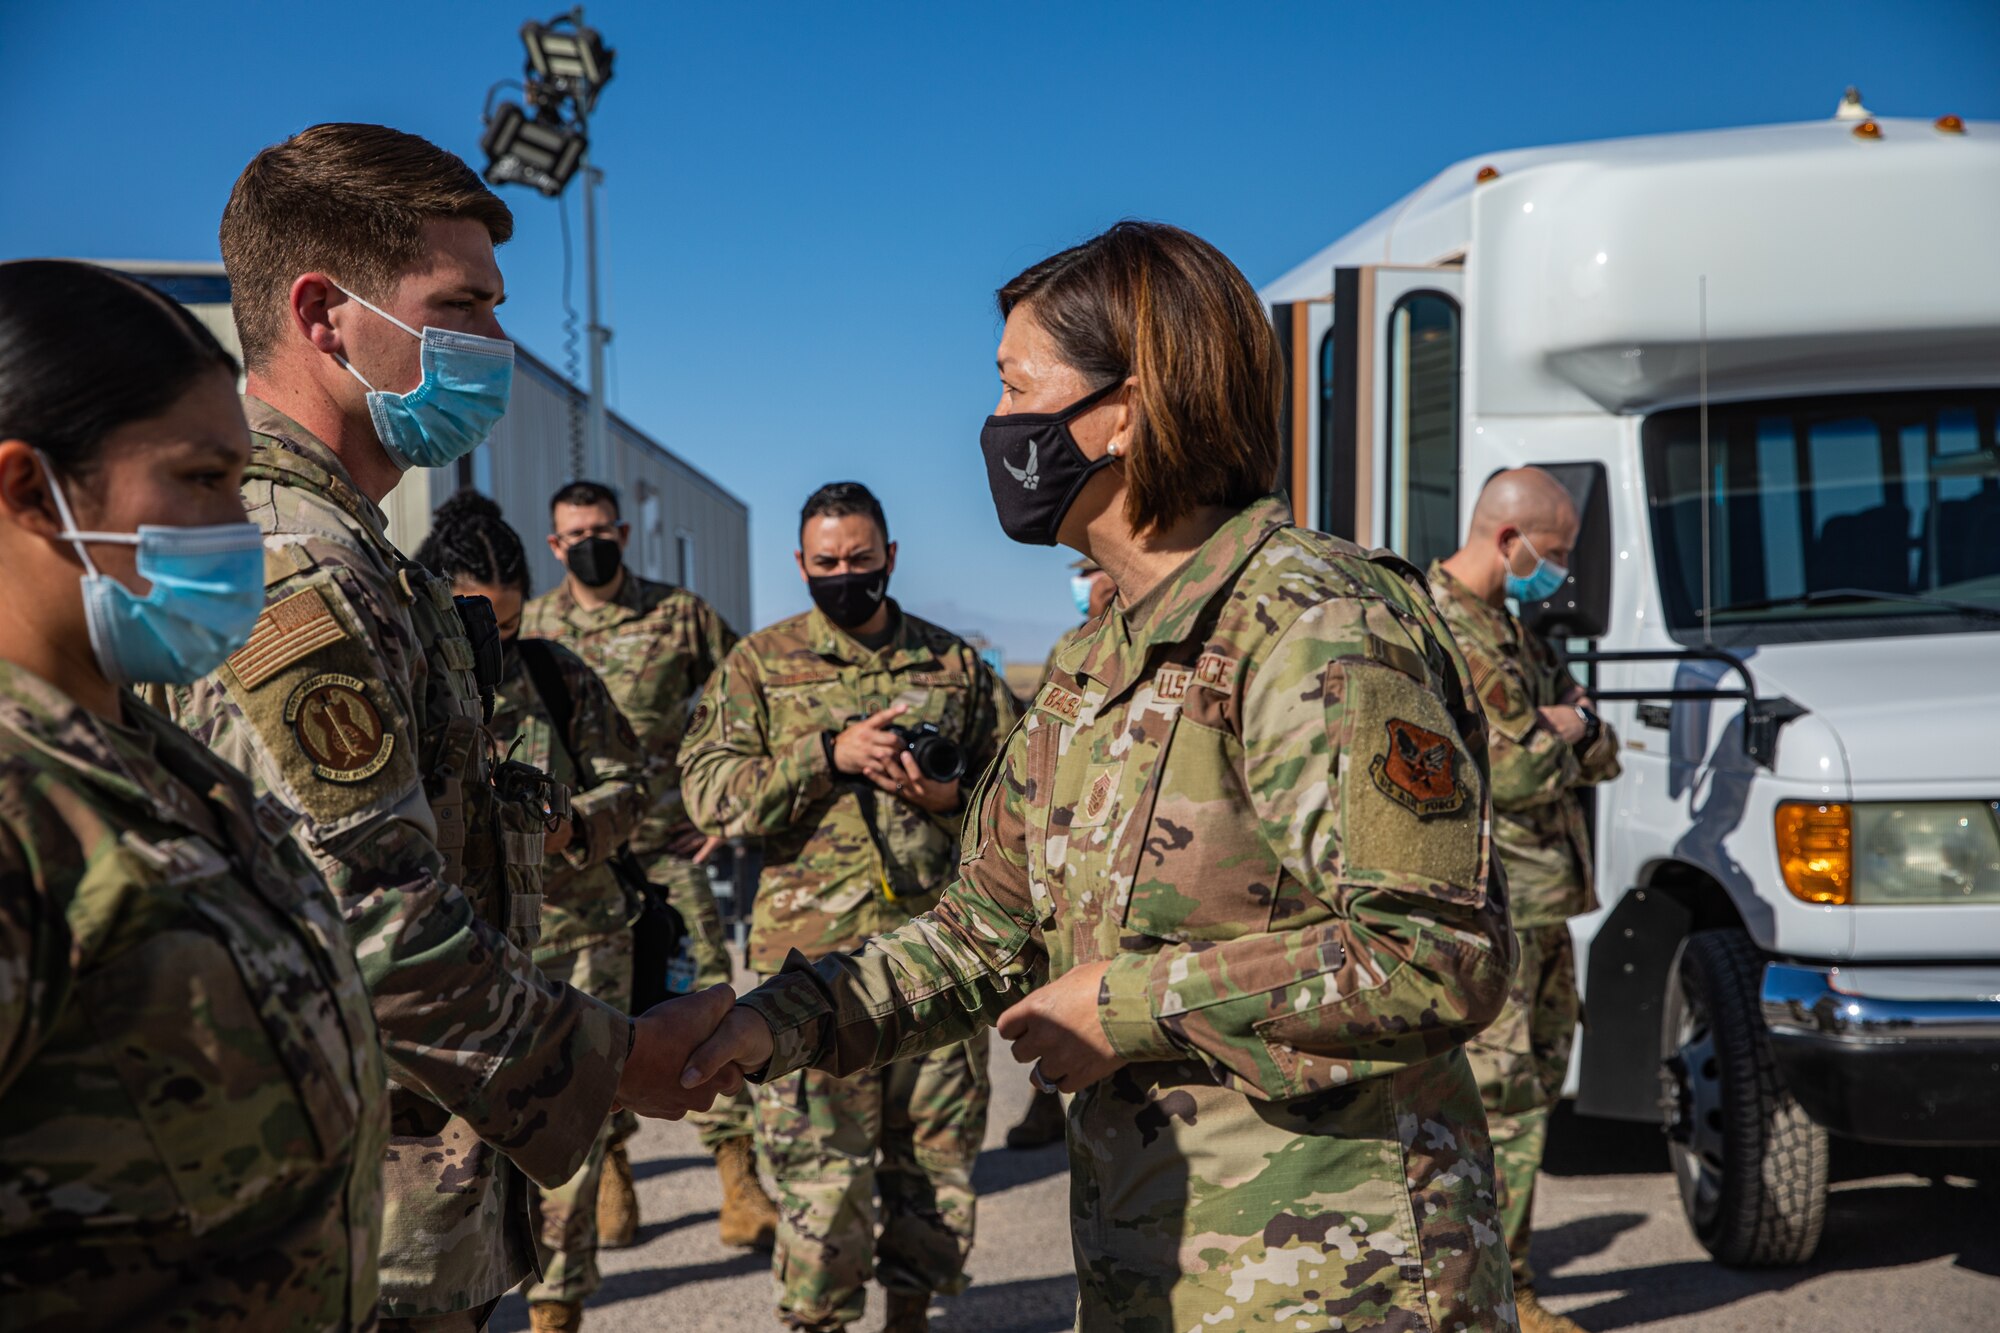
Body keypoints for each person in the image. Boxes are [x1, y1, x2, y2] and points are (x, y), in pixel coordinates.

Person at [682, 222, 1519, 1331]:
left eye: (1014, 387)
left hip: (1339, 1283)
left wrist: (1126, 1006)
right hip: (1152, 1273)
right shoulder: (1093, 661)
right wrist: (771, 1021)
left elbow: (1436, 955)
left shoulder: (1312, 626)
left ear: (1122, 410)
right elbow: (980, 929)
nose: (995, 426)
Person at [163, 123, 735, 1332]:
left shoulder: (366, 560)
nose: (493, 343)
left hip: (395, 1217)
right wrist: (623, 1063)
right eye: (462, 305)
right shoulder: (290, 570)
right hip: (335, 1243)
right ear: (326, 315)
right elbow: (373, 926)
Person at [0, 259, 388, 1329]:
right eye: (202, 478)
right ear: (33, 490)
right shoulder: (21, 810)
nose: (241, 527)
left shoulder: (159, 761)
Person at [680, 481, 1020, 1333]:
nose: (844, 574)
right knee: (819, 1180)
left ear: (890, 557)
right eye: (826, 562)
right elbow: (709, 796)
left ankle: (911, 1314)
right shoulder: (759, 665)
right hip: (807, 970)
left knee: (933, 1171)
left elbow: (1022, 799)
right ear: (800, 565)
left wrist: (948, 798)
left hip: (938, 959)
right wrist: (825, 756)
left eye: (860, 560)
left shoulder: (956, 665)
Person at [521, 479, 779, 1252]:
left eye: (602, 528)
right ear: (554, 544)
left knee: (702, 1004)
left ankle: (739, 1180)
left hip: (668, 850)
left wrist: (725, 805)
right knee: (591, 1014)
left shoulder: (681, 614)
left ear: (625, 533)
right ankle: (614, 1181)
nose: (590, 542)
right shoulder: (534, 629)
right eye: (574, 533)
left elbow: (751, 690)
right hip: (579, 870)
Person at [417, 491, 653, 1333]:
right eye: (481, 627)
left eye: (510, 630)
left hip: (576, 938)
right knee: (450, 1171)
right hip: (447, 964)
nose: (495, 649)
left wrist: (580, 825)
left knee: (570, 1142)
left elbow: (637, 784)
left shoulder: (556, 673)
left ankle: (557, 1311)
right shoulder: (404, 682)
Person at [1431, 467, 1622, 1333]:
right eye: (1556, 553)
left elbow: (1598, 738)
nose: (1561, 572)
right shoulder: (1447, 629)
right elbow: (1508, 771)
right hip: (1494, 907)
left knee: (1532, 1100)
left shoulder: (1510, 628)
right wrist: (1564, 728)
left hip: (1546, 905)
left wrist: (1570, 726)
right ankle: (1500, 1297)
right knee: (1500, 1104)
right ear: (1508, 541)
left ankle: (1512, 1284)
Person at [1002, 554, 1117, 1151]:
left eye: (1097, 570)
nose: (1090, 583)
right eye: (1083, 574)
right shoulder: (1070, 649)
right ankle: (1046, 1099)